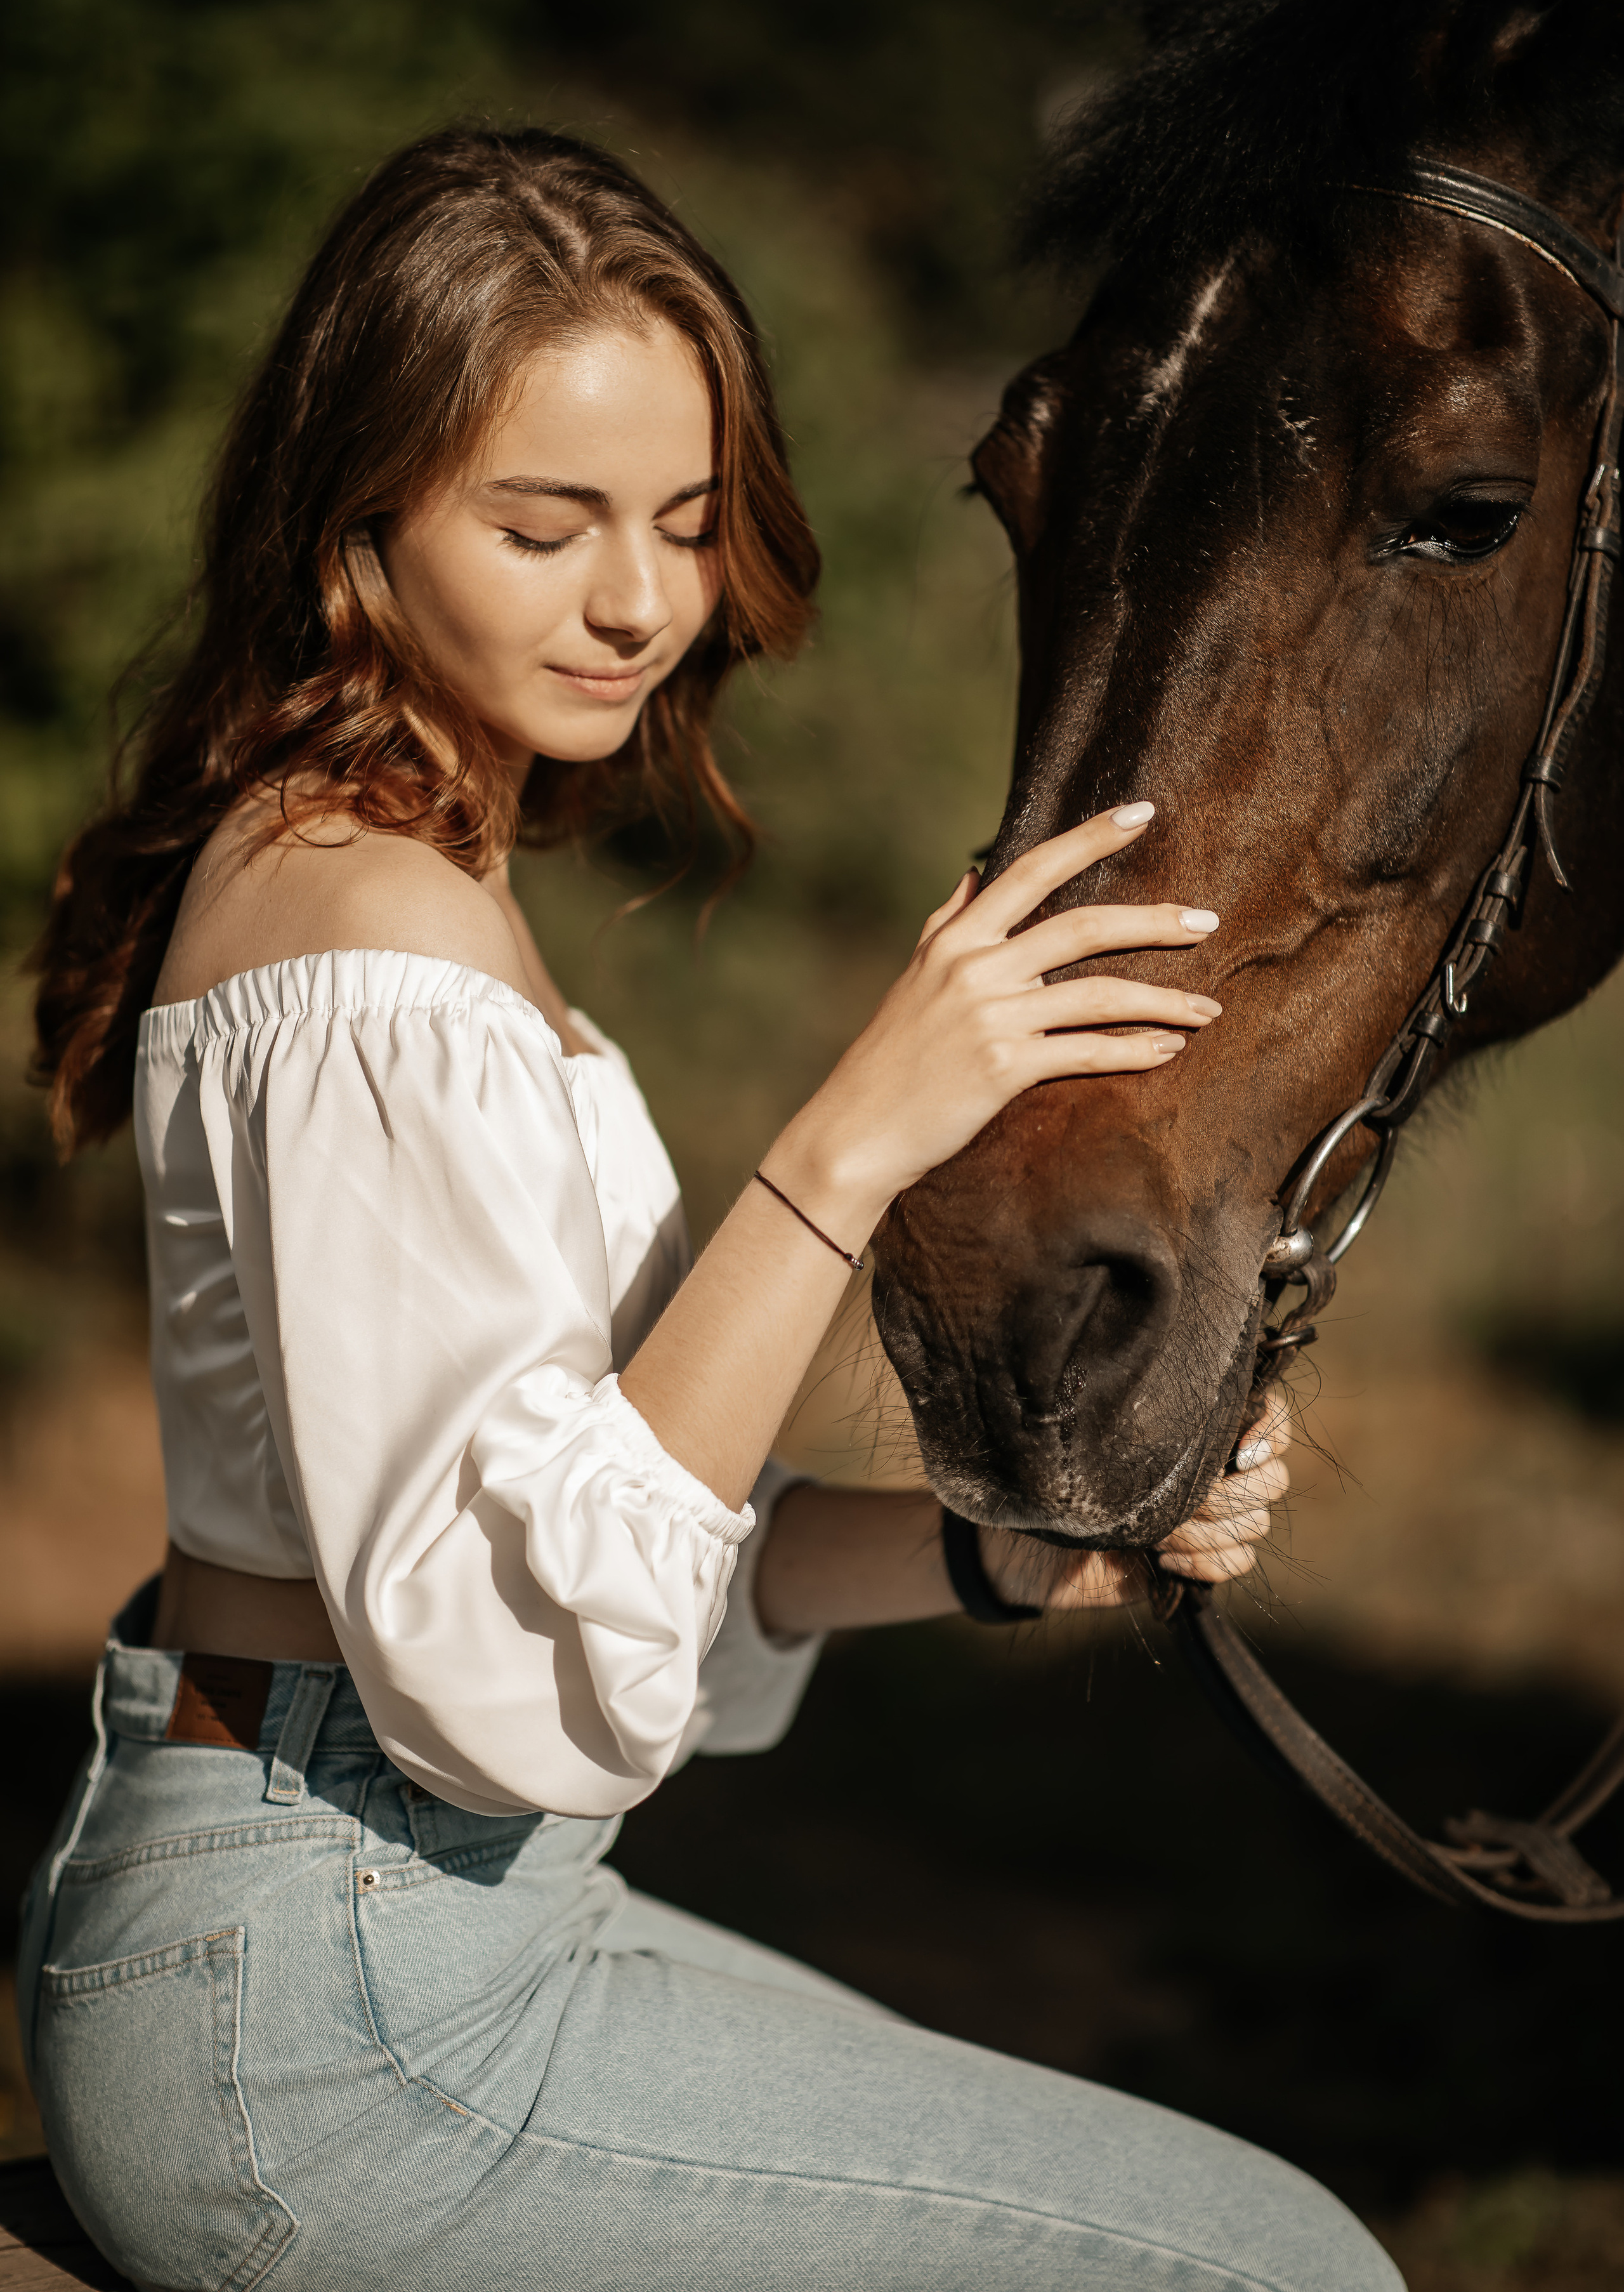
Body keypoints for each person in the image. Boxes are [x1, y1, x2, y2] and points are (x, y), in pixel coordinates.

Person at [18, 126, 1399, 2292]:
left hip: (425, 1916)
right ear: (356, 516)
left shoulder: (405, 867)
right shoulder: (373, 933)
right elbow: (490, 1666)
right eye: (541, 524)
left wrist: (1012, 1545)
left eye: (679, 519)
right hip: (334, 2001)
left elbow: (604, 1529)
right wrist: (849, 1144)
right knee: (1277, 2268)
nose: (643, 601)